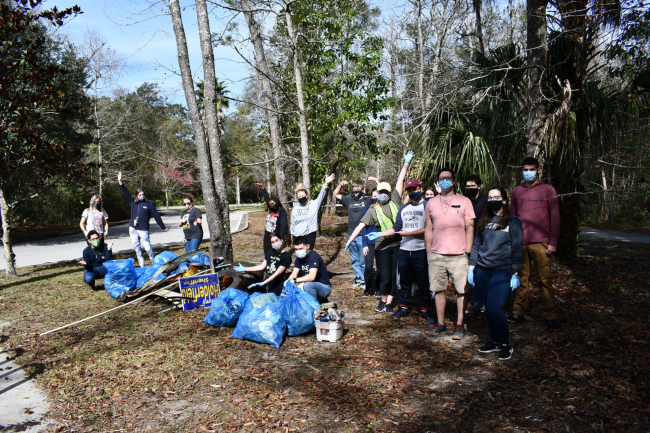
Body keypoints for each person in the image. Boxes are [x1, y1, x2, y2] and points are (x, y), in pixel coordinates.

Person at [345, 151, 413, 313]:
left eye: (385, 192)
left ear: (389, 193)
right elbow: (360, 226)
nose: (383, 194)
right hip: (382, 246)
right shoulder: (372, 210)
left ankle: (389, 303)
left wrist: (406, 163)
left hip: (398, 244)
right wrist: (350, 240)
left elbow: (400, 180)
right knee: (384, 275)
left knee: (393, 276)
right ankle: (382, 301)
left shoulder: (395, 199)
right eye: (380, 192)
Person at [367, 178, 434, 323]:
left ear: (420, 189)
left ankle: (425, 310)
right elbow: (397, 227)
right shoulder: (404, 208)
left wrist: (409, 233)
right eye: (410, 191)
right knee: (405, 281)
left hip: (421, 249)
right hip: (404, 250)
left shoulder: (427, 206)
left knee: (423, 281)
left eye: (415, 189)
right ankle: (403, 308)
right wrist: (380, 234)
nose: (412, 192)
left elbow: (429, 228)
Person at [468, 187, 523, 360]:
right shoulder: (484, 219)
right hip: (483, 270)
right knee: (487, 309)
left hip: (502, 271)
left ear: (504, 200)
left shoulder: (513, 221)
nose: (493, 200)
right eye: (490, 197)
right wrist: (471, 267)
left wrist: (515, 272)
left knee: (495, 308)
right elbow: (477, 244)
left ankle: (506, 344)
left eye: (497, 197)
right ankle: (494, 341)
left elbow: (517, 248)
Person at [509, 157, 562, 331]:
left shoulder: (548, 190)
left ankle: (550, 316)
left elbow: (555, 218)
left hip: (541, 243)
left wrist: (552, 243)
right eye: (525, 169)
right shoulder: (517, 191)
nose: (528, 172)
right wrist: (512, 241)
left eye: (531, 169)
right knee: (521, 280)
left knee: (545, 280)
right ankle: (518, 312)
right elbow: (513, 218)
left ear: (538, 169)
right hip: (520, 243)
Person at [424, 167, 475, 340]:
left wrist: (467, 251)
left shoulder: (465, 201)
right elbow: (429, 229)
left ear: (454, 181)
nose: (444, 181)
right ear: (438, 182)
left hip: (459, 254)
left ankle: (459, 325)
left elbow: (470, 227)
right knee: (438, 289)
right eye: (441, 178)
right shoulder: (431, 203)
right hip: (436, 255)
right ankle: (441, 324)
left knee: (462, 290)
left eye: (448, 178)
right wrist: (428, 252)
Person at [117, 171, 168, 267]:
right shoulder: (133, 202)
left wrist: (163, 226)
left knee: (147, 247)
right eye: (139, 195)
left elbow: (156, 215)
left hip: (143, 229)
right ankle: (141, 264)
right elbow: (125, 192)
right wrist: (120, 181)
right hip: (133, 228)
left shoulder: (149, 203)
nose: (142, 196)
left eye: (143, 194)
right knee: (137, 247)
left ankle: (154, 262)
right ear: (136, 196)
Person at [333, 180, 371, 290]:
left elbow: (377, 196)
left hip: (363, 235)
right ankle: (358, 279)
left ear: (362, 190)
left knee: (362, 260)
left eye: (358, 189)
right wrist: (340, 185)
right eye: (354, 190)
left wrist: (375, 181)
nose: (356, 191)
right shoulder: (349, 200)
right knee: (354, 260)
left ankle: (365, 280)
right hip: (351, 235)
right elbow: (335, 194)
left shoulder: (367, 200)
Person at [463, 174, 489, 315]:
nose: (470, 188)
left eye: (473, 186)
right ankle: (478, 303)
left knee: (482, 273)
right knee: (473, 274)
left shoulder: (486, 201)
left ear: (479, 186)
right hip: (466, 241)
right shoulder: (464, 200)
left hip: (484, 241)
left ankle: (485, 302)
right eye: (468, 186)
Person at [290, 174, 336, 249]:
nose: (301, 198)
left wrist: (326, 184)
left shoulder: (314, 204)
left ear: (307, 195)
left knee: (308, 254)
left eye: (302, 195)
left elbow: (321, 195)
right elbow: (293, 223)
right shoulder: (296, 208)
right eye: (299, 197)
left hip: (309, 234)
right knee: (300, 255)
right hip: (297, 235)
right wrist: (291, 234)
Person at [286, 236, 331, 301]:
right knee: (293, 290)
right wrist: (288, 282)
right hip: (310, 287)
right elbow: (294, 274)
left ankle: (314, 307)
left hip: (324, 288)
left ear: (308, 246)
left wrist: (295, 280)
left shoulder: (313, 257)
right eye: (296, 249)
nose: (298, 251)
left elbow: (311, 277)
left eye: (301, 248)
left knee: (307, 285)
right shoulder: (298, 259)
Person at [254, 183, 288, 253]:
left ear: (277, 203)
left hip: (276, 237)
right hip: (267, 236)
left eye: (273, 204)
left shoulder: (281, 211)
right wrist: (263, 188)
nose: (271, 206)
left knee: (276, 254)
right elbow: (267, 199)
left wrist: (281, 237)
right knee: (267, 254)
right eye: (270, 205)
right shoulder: (271, 210)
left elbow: (283, 225)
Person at [361, 189, 381, 297]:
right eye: (373, 196)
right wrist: (364, 244)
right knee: (368, 267)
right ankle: (367, 289)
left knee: (380, 268)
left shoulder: (383, 210)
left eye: (377, 196)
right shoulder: (367, 210)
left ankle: (377, 289)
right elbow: (363, 228)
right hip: (369, 242)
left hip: (380, 242)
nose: (375, 198)